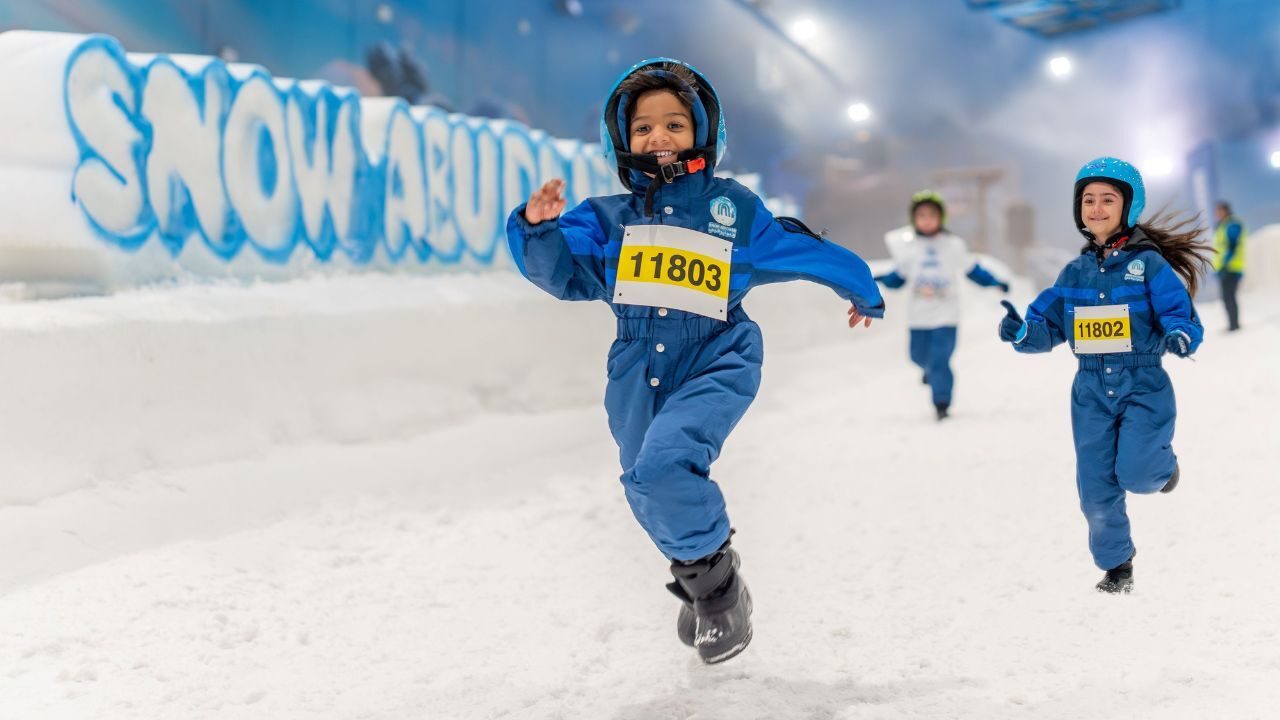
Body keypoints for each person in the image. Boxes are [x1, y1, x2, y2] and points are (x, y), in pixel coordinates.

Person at [505, 58, 884, 663]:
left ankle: (718, 595)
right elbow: (562, 273)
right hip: (636, 370)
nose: (658, 136)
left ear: (703, 133)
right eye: (643, 127)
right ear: (621, 140)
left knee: (663, 468)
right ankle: (702, 571)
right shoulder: (606, 219)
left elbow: (799, 247)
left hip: (718, 356)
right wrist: (537, 229)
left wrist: (861, 287)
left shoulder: (730, 208)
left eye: (674, 124)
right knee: (643, 483)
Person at [997, 157, 1211, 594]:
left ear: (1128, 207)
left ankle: (1163, 468)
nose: (1096, 208)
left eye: (1107, 199)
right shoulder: (1072, 274)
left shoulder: (1149, 266)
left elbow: (1179, 313)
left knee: (1137, 474)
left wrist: (1180, 335)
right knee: (1095, 487)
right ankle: (1117, 566)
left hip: (1143, 385)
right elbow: (1047, 325)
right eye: (1088, 200)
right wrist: (1022, 332)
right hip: (1090, 391)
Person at [875, 191, 1009, 420]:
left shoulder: (953, 245)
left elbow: (972, 269)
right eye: (921, 215)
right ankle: (930, 372)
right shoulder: (908, 248)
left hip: (946, 315)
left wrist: (994, 282)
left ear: (941, 218)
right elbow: (898, 277)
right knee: (917, 356)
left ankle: (942, 402)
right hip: (918, 315)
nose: (927, 220)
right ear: (914, 219)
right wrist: (876, 280)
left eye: (932, 215)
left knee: (940, 358)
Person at [1213, 201, 1246, 331]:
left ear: (1225, 210)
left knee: (1229, 296)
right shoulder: (1222, 225)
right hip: (1224, 267)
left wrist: (1225, 263)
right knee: (1226, 297)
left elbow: (1232, 245)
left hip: (1231, 267)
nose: (1217, 213)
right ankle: (1232, 324)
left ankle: (1234, 325)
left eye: (1219, 211)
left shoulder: (1232, 224)